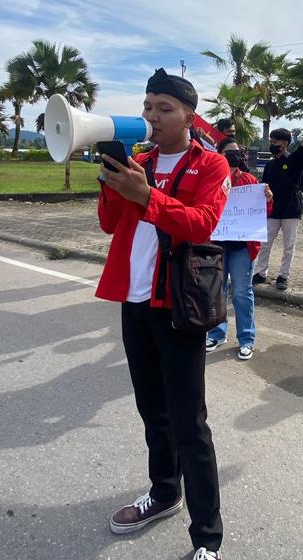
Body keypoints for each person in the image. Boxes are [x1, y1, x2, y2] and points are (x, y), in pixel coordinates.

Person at [96, 67, 231, 560]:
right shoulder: (140, 160)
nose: (153, 116)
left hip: (178, 305)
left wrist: (147, 195)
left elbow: (201, 224)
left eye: (164, 108)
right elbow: (111, 224)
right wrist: (113, 183)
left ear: (189, 116)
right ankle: (164, 492)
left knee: (189, 422)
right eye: (148, 106)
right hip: (134, 302)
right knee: (152, 410)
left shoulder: (210, 165)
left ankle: (207, 539)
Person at [205, 137, 273, 359]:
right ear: (219, 154)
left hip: (242, 247)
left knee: (242, 292)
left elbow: (262, 213)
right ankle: (217, 333)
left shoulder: (249, 180)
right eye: (228, 152)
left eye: (237, 152)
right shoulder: (211, 180)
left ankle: (246, 338)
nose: (233, 156)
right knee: (217, 291)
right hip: (217, 245)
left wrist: (268, 200)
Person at [254, 110, 303, 291]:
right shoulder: (269, 165)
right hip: (273, 210)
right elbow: (264, 186)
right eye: (272, 141)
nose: (273, 144)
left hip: (291, 209)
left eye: (276, 142)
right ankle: (261, 272)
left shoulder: (294, 160)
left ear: (284, 143)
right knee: (265, 242)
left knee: (288, 245)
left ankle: (283, 276)